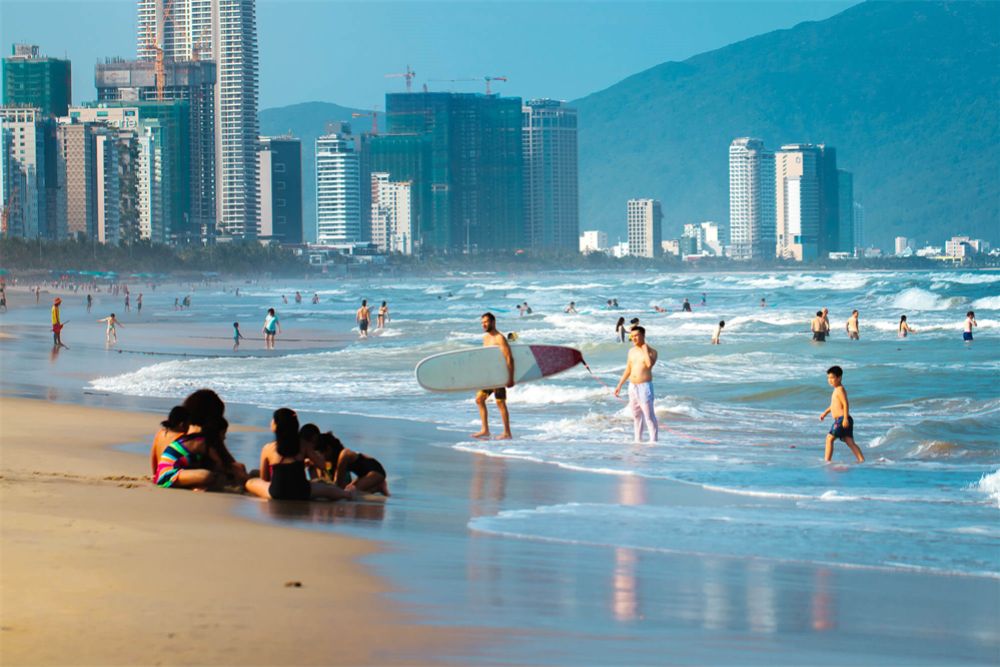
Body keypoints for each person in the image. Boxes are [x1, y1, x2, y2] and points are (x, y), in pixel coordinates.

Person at [245, 409, 352, 501]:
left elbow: (265, 479)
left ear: (276, 425)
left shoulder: (268, 448)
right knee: (328, 490)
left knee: (250, 482)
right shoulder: (304, 444)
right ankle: (347, 494)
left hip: (277, 493)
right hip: (302, 492)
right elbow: (323, 466)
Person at [154, 389, 247, 489]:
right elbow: (226, 463)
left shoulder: (165, 433)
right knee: (210, 475)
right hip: (171, 474)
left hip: (164, 473)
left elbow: (155, 465)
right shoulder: (201, 439)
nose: (224, 438)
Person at [301, 425, 390, 496]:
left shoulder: (344, 455)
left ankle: (379, 486)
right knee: (350, 489)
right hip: (364, 474)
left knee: (351, 492)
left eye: (321, 453)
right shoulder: (337, 456)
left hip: (375, 471)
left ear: (328, 449)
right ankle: (376, 487)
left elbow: (338, 484)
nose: (322, 457)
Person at [614, 326, 659, 443]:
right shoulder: (631, 351)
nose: (633, 338)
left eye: (636, 336)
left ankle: (653, 441)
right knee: (636, 415)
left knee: (649, 416)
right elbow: (628, 369)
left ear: (643, 336)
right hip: (632, 386)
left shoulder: (652, 352)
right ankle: (637, 440)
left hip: (644, 387)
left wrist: (644, 348)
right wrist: (619, 385)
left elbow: (649, 364)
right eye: (632, 336)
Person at [473, 312, 514, 440]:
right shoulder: (485, 338)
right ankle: (485, 430)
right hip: (489, 376)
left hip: (499, 376)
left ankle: (507, 432)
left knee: (500, 403)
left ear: (493, 322)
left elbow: (509, 358)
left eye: (485, 322)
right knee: (479, 400)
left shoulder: (500, 338)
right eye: (482, 322)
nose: (483, 324)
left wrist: (510, 378)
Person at [819, 365, 864, 463]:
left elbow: (845, 403)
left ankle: (827, 461)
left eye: (832, 378)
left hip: (842, 419)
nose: (830, 380)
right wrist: (825, 413)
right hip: (841, 419)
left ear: (839, 378)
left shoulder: (840, 389)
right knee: (849, 442)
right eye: (828, 378)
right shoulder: (836, 390)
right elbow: (833, 405)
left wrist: (845, 418)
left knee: (829, 438)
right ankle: (861, 460)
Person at [149, 406, 190, 479]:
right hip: (173, 476)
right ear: (182, 424)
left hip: (160, 473)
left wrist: (155, 473)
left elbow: (154, 457)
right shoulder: (183, 438)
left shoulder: (160, 433)